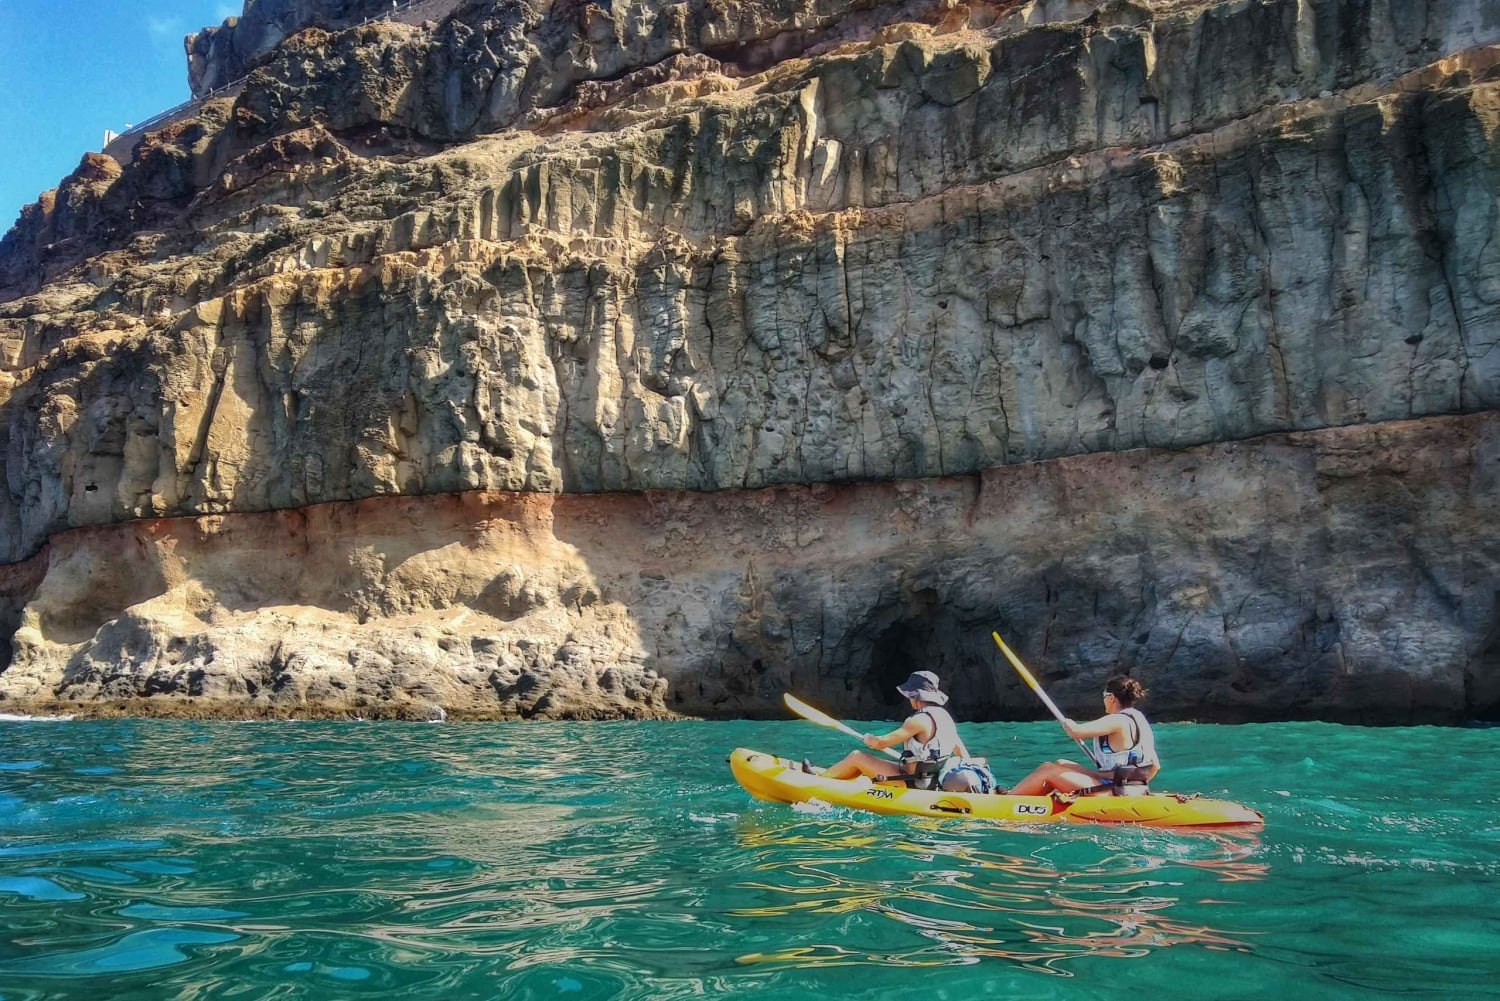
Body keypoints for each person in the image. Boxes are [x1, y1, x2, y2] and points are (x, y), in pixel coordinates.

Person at [808, 671, 998, 793]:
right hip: (930, 780)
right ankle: (830, 774)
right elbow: (962, 754)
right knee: (866, 767)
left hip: (913, 782)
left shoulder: (918, 720)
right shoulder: (945, 718)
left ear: (915, 697)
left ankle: (817, 783)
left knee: (857, 757)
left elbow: (881, 743)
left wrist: (870, 739)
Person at [1009, 675, 1159, 796]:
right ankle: (1030, 797)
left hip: (1114, 791)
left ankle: (1010, 800)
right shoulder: (1140, 721)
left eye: (1104, 696)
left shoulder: (1117, 720)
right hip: (1127, 788)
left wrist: (1068, 723)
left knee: (1048, 769)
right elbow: (1155, 766)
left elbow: (1076, 731)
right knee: (1061, 763)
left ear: (1111, 698)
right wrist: (1134, 785)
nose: (1103, 700)